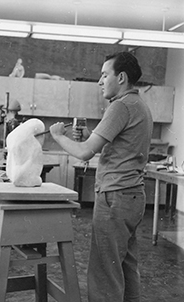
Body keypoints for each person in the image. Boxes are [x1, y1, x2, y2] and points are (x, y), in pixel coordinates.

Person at [50, 52, 153, 302]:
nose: (100, 81)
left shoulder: (120, 105)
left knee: (104, 271)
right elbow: (116, 145)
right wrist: (89, 133)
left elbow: (85, 151)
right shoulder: (138, 104)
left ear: (121, 77)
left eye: (104, 75)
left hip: (115, 198)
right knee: (125, 266)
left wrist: (58, 136)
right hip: (132, 197)